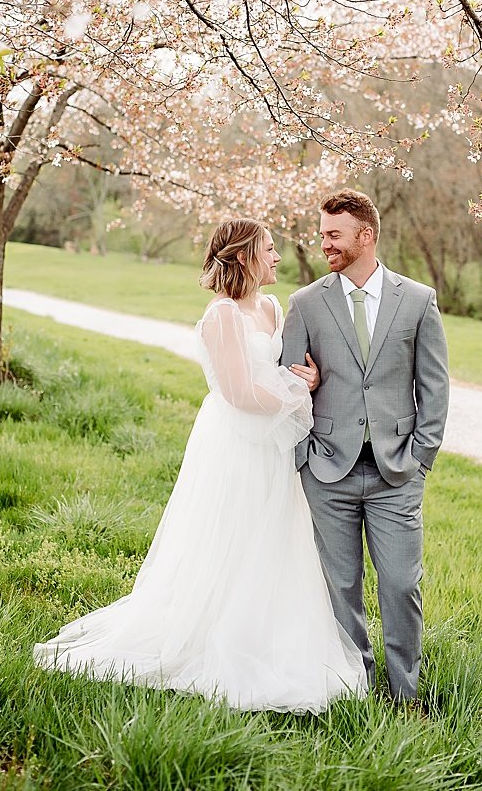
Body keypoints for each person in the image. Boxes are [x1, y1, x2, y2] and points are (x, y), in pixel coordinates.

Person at [33, 218, 367, 713]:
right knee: (229, 535)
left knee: (274, 537)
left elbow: (280, 370)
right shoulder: (222, 317)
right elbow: (239, 392)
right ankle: (212, 633)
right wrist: (303, 393)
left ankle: (268, 633)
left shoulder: (272, 307)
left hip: (272, 446)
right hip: (235, 442)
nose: (278, 257)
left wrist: (307, 375)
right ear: (244, 256)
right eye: (269, 249)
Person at [281, 189, 449, 703]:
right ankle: (354, 689)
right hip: (327, 470)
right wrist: (304, 452)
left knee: (400, 585)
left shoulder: (418, 300)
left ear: (366, 235)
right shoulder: (304, 303)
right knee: (340, 589)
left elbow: (434, 385)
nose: (324, 243)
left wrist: (421, 457)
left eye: (334, 234)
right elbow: (287, 389)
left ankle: (405, 695)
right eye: (323, 233)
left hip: (396, 473)